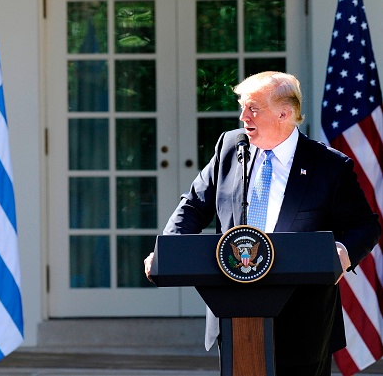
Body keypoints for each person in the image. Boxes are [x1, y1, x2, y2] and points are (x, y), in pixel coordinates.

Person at [144, 71, 380, 375]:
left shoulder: (328, 166)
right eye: (243, 106)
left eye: (253, 108)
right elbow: (193, 205)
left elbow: (366, 226)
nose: (244, 116)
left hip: (302, 325)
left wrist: (344, 254)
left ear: (285, 113)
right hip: (234, 316)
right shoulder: (230, 147)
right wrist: (169, 251)